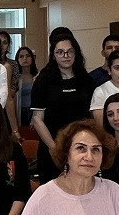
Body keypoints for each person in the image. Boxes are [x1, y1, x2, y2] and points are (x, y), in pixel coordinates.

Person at [30, 31, 97, 183]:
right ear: (53, 56)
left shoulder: (86, 80)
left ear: (76, 53)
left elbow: (93, 116)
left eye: (69, 51)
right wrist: (55, 149)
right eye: (60, 52)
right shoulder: (43, 81)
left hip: (82, 147)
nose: (66, 56)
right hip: (52, 147)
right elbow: (37, 119)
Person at [14, 45, 39, 126]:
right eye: (21, 56)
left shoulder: (37, 77)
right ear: (17, 60)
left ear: (32, 58)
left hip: (34, 111)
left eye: (27, 56)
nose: (25, 58)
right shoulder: (15, 78)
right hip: (19, 111)